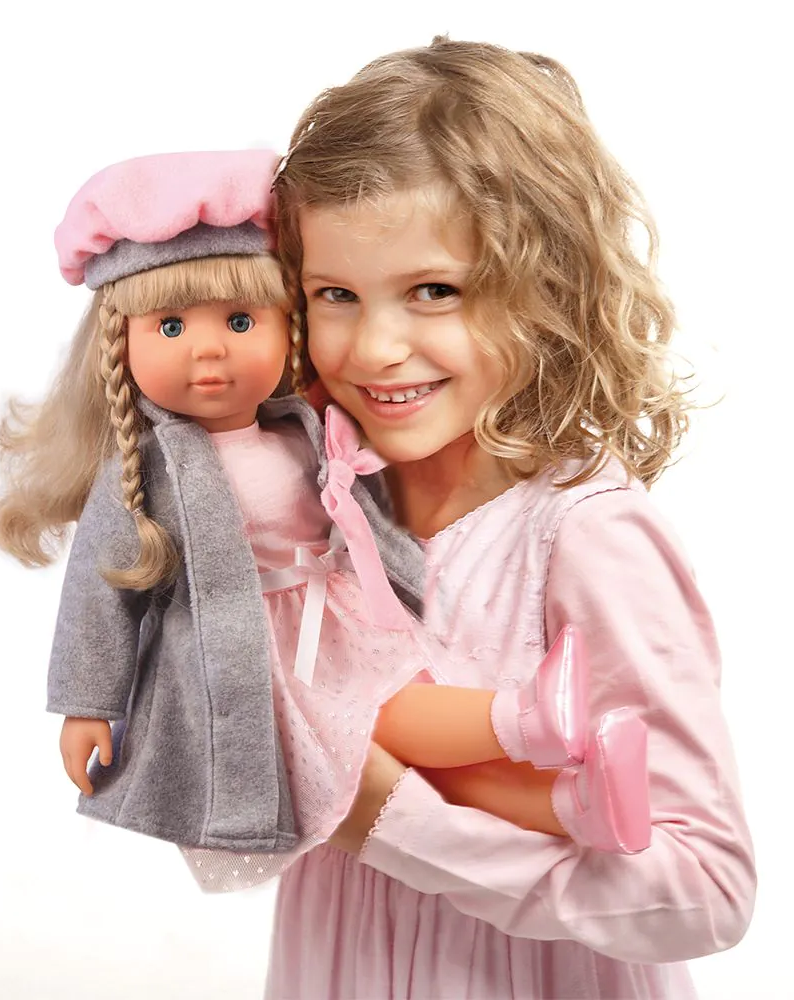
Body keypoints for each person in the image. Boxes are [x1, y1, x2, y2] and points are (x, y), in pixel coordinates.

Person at [0, 150, 647, 896]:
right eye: (169, 326)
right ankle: (528, 724)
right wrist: (88, 704)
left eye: (241, 321)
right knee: (385, 738)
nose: (209, 348)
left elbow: (361, 516)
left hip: (337, 619)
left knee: (407, 733)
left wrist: (408, 571)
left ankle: (567, 799)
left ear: (286, 328)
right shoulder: (146, 472)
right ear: (121, 344)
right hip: (247, 659)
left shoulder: (298, 427)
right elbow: (98, 596)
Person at [268, 37, 756, 997]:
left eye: (434, 291)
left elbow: (707, 892)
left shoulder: (585, 536)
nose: (375, 347)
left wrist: (390, 821)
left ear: (545, 289)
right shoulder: (324, 504)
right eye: (336, 295)